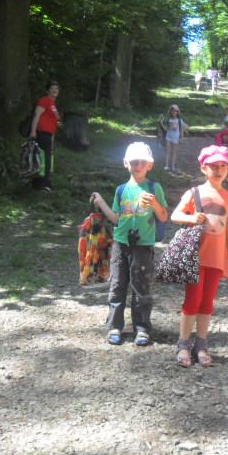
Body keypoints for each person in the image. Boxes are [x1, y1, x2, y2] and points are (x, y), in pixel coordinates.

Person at [89, 142, 168, 347]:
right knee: (117, 285)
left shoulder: (154, 188)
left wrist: (154, 203)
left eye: (142, 162)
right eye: (134, 162)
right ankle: (114, 326)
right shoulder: (121, 190)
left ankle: (142, 328)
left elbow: (163, 216)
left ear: (149, 165)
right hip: (120, 243)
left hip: (143, 245)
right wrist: (101, 203)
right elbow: (116, 219)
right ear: (126, 163)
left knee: (141, 287)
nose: (138, 165)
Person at [169, 145, 228, 368]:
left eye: (223, 166)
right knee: (193, 299)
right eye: (213, 166)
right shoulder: (194, 193)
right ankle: (183, 344)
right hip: (196, 257)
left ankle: (201, 343)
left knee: (208, 301)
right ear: (203, 168)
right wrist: (191, 218)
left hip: (217, 257)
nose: (218, 170)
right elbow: (175, 215)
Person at [31, 81, 62, 191]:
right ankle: (41, 185)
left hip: (49, 135)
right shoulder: (45, 100)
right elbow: (37, 115)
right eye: (52, 88)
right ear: (47, 90)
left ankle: (44, 183)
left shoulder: (53, 103)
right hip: (42, 133)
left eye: (56, 89)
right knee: (44, 159)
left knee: (47, 159)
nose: (55, 90)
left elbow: (52, 120)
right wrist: (33, 131)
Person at [160, 104, 186, 172]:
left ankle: (172, 166)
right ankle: (166, 165)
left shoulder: (179, 120)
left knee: (174, 152)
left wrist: (182, 137)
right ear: (170, 112)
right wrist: (161, 123)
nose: (174, 112)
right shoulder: (169, 120)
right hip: (168, 137)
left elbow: (184, 128)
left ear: (178, 112)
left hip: (175, 138)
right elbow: (166, 129)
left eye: (175, 111)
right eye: (172, 111)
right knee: (168, 151)